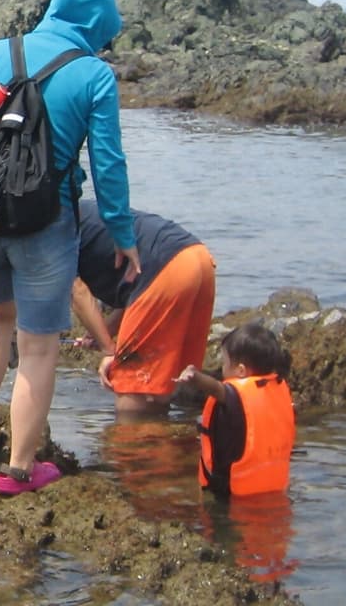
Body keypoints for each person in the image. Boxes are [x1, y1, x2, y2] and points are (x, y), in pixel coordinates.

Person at [0, 0, 142, 496]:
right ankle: (18, 471)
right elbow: (109, 166)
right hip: (44, 224)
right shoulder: (95, 75)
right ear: (97, 24)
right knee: (38, 348)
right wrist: (123, 235)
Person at [71, 201, 216, 416]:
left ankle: (134, 446)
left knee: (132, 395)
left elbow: (77, 292)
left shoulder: (52, 229)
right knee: (168, 382)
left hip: (166, 273)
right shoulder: (80, 212)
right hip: (197, 258)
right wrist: (108, 331)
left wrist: (110, 350)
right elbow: (138, 288)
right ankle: (170, 443)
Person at [175, 323, 295, 497]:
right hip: (274, 488)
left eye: (224, 362)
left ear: (241, 370)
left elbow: (216, 389)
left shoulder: (236, 395)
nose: (222, 368)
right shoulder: (278, 385)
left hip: (233, 494)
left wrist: (195, 376)